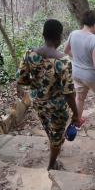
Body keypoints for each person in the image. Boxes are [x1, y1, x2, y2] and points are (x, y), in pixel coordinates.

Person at [16, 19, 79, 170]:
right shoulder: (63, 61)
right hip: (57, 108)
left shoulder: (29, 54)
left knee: (50, 130)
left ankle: (53, 147)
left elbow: (21, 79)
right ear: (59, 37)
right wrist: (76, 114)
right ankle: (51, 165)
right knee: (57, 138)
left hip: (38, 103)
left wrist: (38, 86)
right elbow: (69, 93)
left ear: (43, 34)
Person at [64, 10, 95, 127]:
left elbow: (66, 50)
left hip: (76, 72)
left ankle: (77, 121)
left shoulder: (73, 33)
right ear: (94, 24)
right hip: (92, 75)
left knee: (80, 98)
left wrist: (78, 59)